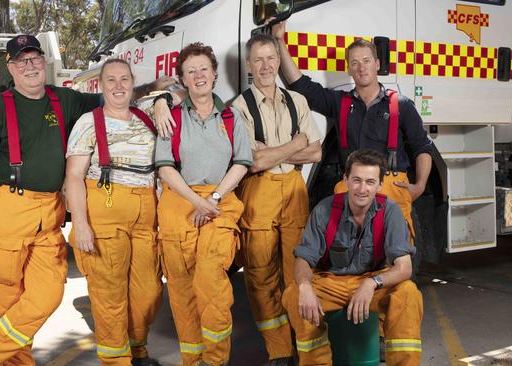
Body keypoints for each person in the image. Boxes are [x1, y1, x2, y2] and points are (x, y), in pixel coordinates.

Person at [0, 34, 173, 366]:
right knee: (7, 298)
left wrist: (156, 91)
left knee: (49, 294)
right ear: (11, 68)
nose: (30, 66)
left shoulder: (64, 99)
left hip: (50, 212)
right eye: (22, 61)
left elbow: (114, 96)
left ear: (44, 62)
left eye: (35, 59)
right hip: (10, 208)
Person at [272, 21, 433, 243]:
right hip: (353, 188)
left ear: (377, 64)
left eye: (366, 61)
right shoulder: (339, 102)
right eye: (354, 63)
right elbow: (301, 86)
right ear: (348, 69)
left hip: (392, 188)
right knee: (346, 256)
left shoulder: (401, 105)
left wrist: (420, 186)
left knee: (396, 257)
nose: (361, 67)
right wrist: (280, 41)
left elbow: (422, 148)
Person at [155, 42, 252, 366]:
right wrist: (196, 200)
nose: (198, 76)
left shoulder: (230, 116)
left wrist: (212, 199)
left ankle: (214, 360)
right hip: (178, 202)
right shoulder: (172, 118)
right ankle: (192, 361)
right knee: (182, 292)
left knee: (210, 278)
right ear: (182, 78)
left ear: (214, 75)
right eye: (191, 71)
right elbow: (165, 166)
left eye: (203, 69)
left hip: (220, 201)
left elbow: (241, 162)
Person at [281, 148, 423, 365]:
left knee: (408, 294)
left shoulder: (390, 212)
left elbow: (404, 268)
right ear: (345, 180)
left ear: (380, 185)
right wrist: (304, 286)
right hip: (330, 284)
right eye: (356, 180)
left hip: (373, 286)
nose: (362, 189)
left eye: (369, 181)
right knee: (293, 294)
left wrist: (371, 283)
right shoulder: (324, 210)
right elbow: (304, 259)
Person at [231, 33, 322, 366]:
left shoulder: (297, 101)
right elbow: (253, 162)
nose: (267, 66)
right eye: (259, 60)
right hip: (259, 192)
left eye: (272, 58)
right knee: (261, 277)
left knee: (299, 272)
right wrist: (295, 143)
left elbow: (317, 150)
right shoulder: (240, 107)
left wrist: (277, 152)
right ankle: (279, 351)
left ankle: (307, 347)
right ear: (249, 66)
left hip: (294, 191)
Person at [65, 58, 162, 366]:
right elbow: (73, 177)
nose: (118, 86)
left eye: (124, 79)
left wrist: (159, 100)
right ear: (100, 85)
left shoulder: (145, 115)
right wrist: (80, 223)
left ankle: (137, 348)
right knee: (110, 294)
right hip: (105, 205)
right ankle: (116, 360)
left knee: (148, 290)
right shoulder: (88, 123)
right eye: (111, 80)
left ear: (133, 83)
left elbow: (181, 92)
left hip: (146, 208)